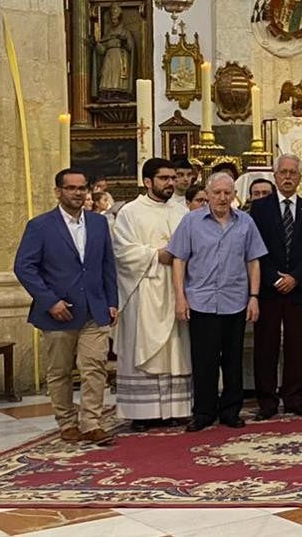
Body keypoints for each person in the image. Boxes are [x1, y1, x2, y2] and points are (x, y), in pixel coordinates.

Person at [14, 169, 118, 445]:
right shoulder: (40, 226)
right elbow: (24, 267)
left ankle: (91, 422)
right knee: (60, 371)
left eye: (82, 188)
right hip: (59, 312)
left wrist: (112, 301)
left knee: (94, 367)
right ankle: (67, 422)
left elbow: (107, 264)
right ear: (58, 191)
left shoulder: (98, 223)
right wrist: (50, 301)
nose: (77, 193)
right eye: (71, 188)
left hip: (93, 309)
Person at [168, 172, 267, 432]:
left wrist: (254, 297)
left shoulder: (246, 222)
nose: (222, 198)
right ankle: (204, 412)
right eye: (217, 193)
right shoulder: (191, 221)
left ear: (234, 195)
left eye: (227, 193)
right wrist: (180, 297)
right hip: (201, 300)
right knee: (204, 360)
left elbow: (253, 261)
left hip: (235, 300)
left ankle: (230, 411)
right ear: (208, 194)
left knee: (233, 359)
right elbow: (179, 260)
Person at [112, 158, 191, 431]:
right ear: (147, 182)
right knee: (144, 346)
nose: (171, 183)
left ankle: (176, 409)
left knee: (176, 348)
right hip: (144, 289)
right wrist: (157, 255)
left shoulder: (181, 211)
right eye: (164, 178)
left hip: (176, 288)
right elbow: (122, 252)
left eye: (173, 178)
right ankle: (142, 412)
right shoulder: (130, 212)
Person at [248, 154, 302, 420]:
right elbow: (254, 247)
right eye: (284, 172)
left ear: (300, 177)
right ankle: (267, 402)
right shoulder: (259, 208)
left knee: (296, 345)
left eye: (293, 173)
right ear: (275, 176)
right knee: (266, 346)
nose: (288, 177)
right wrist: (274, 277)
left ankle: (294, 399)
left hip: (299, 288)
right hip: (269, 289)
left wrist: (295, 278)